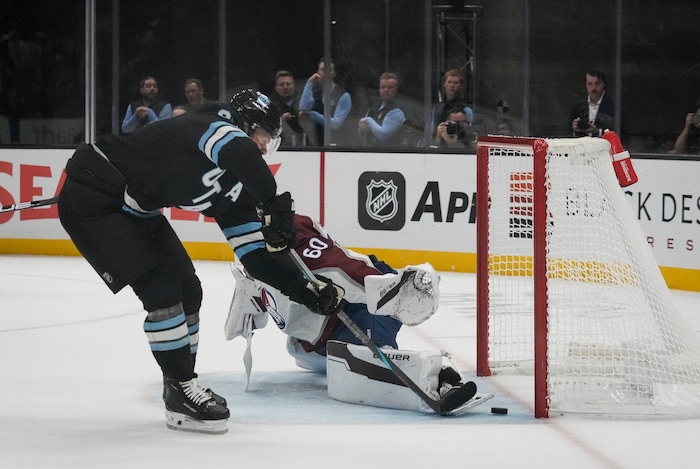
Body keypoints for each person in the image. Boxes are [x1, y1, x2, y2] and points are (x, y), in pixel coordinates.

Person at [57, 89, 345, 434]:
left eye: (271, 143)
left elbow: (257, 259)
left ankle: (180, 383)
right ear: (245, 124)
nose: (264, 149)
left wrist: (304, 288)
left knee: (187, 289)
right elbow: (238, 149)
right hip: (93, 200)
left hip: (133, 209)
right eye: (263, 138)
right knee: (161, 288)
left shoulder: (239, 186)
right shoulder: (209, 121)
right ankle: (181, 389)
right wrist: (272, 201)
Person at [224, 213, 476, 414]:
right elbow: (242, 321)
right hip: (312, 341)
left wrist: (390, 287)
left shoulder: (293, 233)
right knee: (314, 353)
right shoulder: (248, 255)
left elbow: (341, 268)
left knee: (371, 361)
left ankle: (440, 379)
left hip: (362, 305)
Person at [298, 58, 352, 146]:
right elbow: (304, 107)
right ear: (318, 73)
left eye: (329, 70)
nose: (326, 73)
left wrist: (312, 115)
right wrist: (309, 83)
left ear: (334, 74)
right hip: (316, 142)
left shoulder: (343, 96)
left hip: (338, 145)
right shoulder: (315, 93)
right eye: (323, 69)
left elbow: (335, 124)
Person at [568, 69, 626, 142]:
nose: (593, 88)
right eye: (590, 84)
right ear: (585, 85)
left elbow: (623, 135)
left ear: (604, 84)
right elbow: (568, 134)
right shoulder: (577, 106)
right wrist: (575, 130)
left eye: (597, 83)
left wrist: (598, 132)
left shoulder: (615, 106)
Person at [358, 72, 407, 147]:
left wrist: (367, 120)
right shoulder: (374, 106)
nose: (386, 90)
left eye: (390, 87)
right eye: (383, 87)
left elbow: (382, 135)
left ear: (397, 90)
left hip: (390, 154)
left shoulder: (398, 111)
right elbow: (362, 127)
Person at [431, 69, 474, 138]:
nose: (452, 85)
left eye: (456, 83)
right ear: (444, 84)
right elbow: (432, 133)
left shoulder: (466, 110)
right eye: (449, 82)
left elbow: (469, 135)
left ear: (461, 86)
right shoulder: (437, 108)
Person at [270, 70, 307, 147]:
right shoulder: (271, 108)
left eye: (288, 84)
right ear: (276, 88)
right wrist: (281, 120)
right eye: (281, 84)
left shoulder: (303, 105)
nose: (285, 87)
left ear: (293, 86)